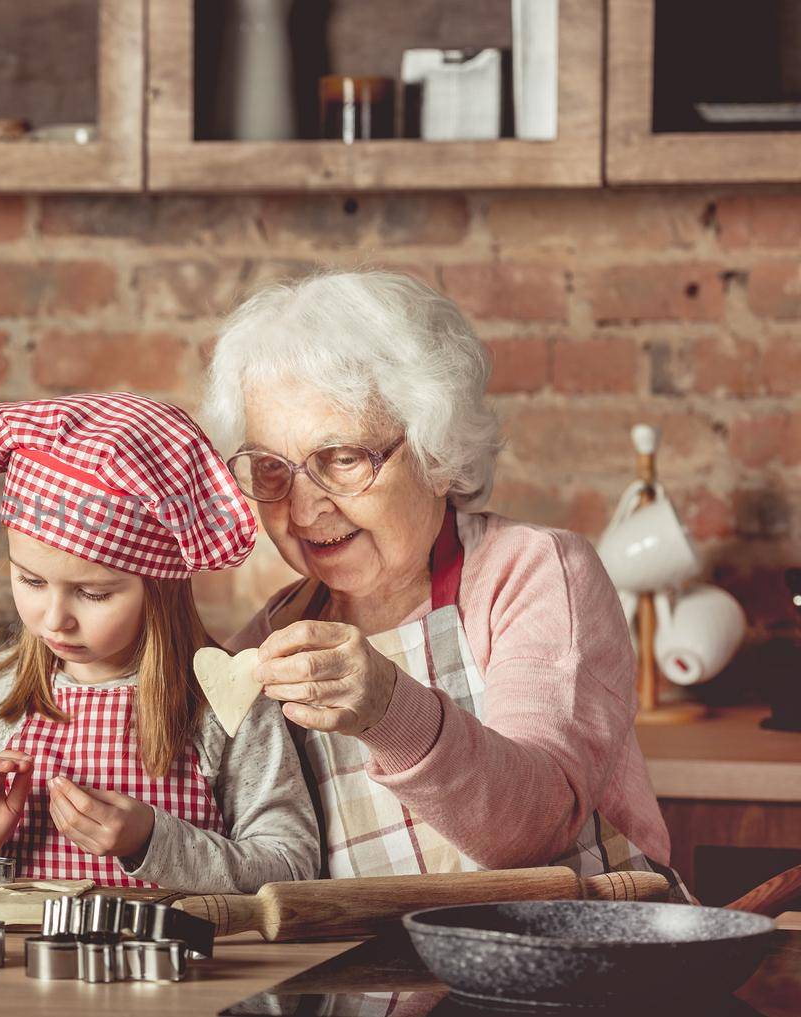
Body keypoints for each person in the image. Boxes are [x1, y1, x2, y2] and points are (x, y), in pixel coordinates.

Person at [203, 269, 681, 890]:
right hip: (370, 980)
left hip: (569, 964)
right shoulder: (270, 636)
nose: (304, 509)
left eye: (343, 459)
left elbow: (537, 825)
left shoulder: (532, 575)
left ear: (435, 453)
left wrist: (387, 712)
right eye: (270, 470)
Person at [0, 393, 319, 892]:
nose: (54, 620)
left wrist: (152, 842)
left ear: (158, 588)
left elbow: (291, 868)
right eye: (30, 581)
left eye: (93, 593)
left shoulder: (227, 701)